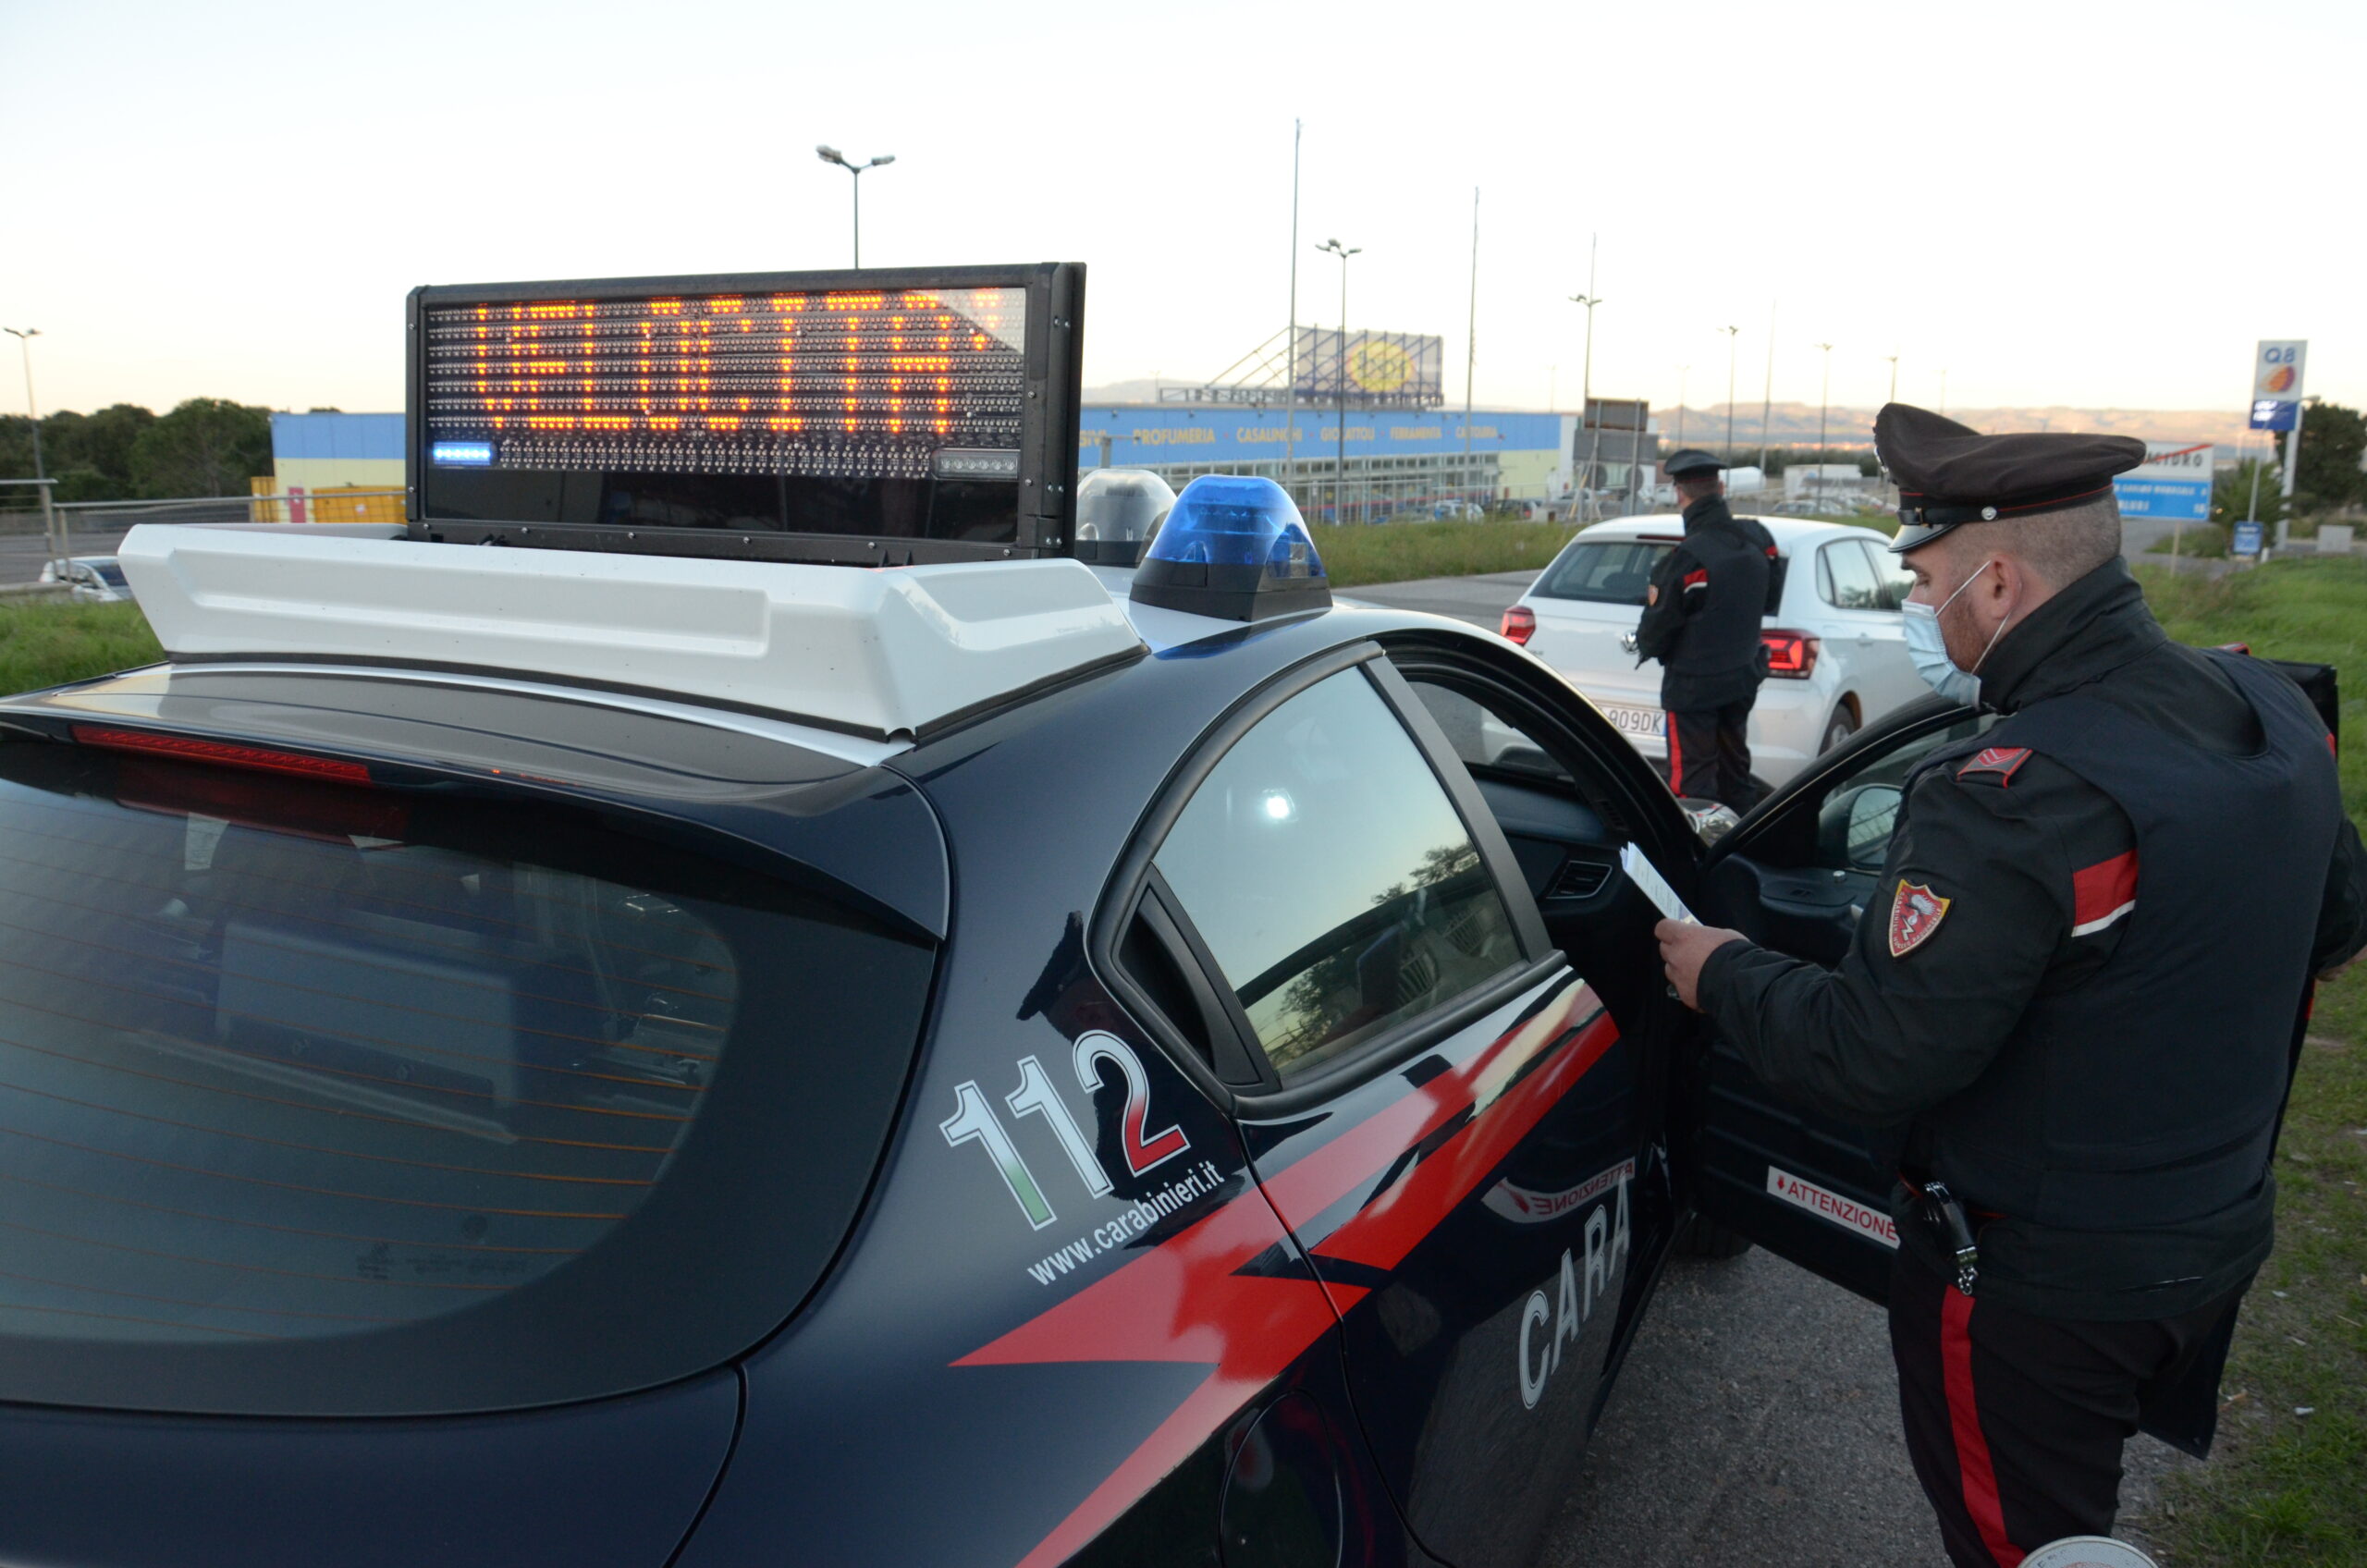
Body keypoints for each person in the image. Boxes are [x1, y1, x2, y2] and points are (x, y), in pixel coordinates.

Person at [1653, 404, 2367, 1567]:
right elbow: (2334, 924)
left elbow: (1871, 1054)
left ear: (1991, 584)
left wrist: (1721, 970)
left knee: (2021, 1545)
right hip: (2209, 1239)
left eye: (1919, 572)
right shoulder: (2266, 706)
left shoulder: (2006, 790)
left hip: (2037, 1292)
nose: (1914, 604)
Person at [1632, 449, 1778, 811]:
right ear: (1721, 487)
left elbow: (1656, 630)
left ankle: (1696, 857)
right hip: (1743, 676)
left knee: (1692, 784)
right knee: (1735, 772)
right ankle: (1743, 850)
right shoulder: (1760, 539)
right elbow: (1769, 598)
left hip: (1693, 688)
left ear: (1680, 493)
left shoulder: (1686, 559)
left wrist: (1649, 646)